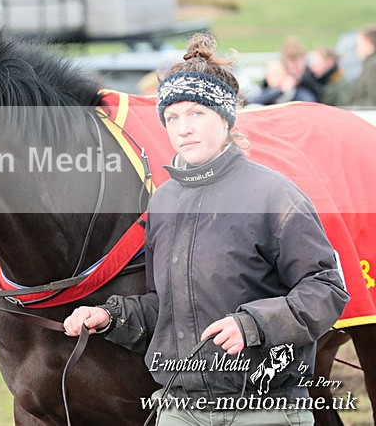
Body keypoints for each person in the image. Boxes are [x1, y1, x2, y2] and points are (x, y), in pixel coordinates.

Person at [64, 33, 349, 425]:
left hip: (264, 409)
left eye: (197, 113)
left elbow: (326, 290)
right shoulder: (162, 203)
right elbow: (167, 308)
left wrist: (252, 324)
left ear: (226, 117)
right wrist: (112, 316)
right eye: (172, 117)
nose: (184, 129)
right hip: (180, 410)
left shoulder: (273, 195)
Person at [246, 59, 316, 105]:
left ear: (286, 74)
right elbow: (255, 102)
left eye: (274, 74)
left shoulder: (301, 95)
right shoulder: (268, 91)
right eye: (268, 74)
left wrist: (287, 91)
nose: (269, 78)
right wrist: (280, 91)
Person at [280, 35, 320, 102]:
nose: (294, 65)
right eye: (291, 60)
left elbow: (319, 93)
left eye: (297, 60)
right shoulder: (280, 74)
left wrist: (298, 80)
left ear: (303, 58)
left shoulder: (311, 74)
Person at [347, 26, 376, 107]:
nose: (357, 50)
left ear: (368, 43)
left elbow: (373, 102)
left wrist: (352, 109)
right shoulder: (369, 65)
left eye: (359, 45)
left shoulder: (373, 66)